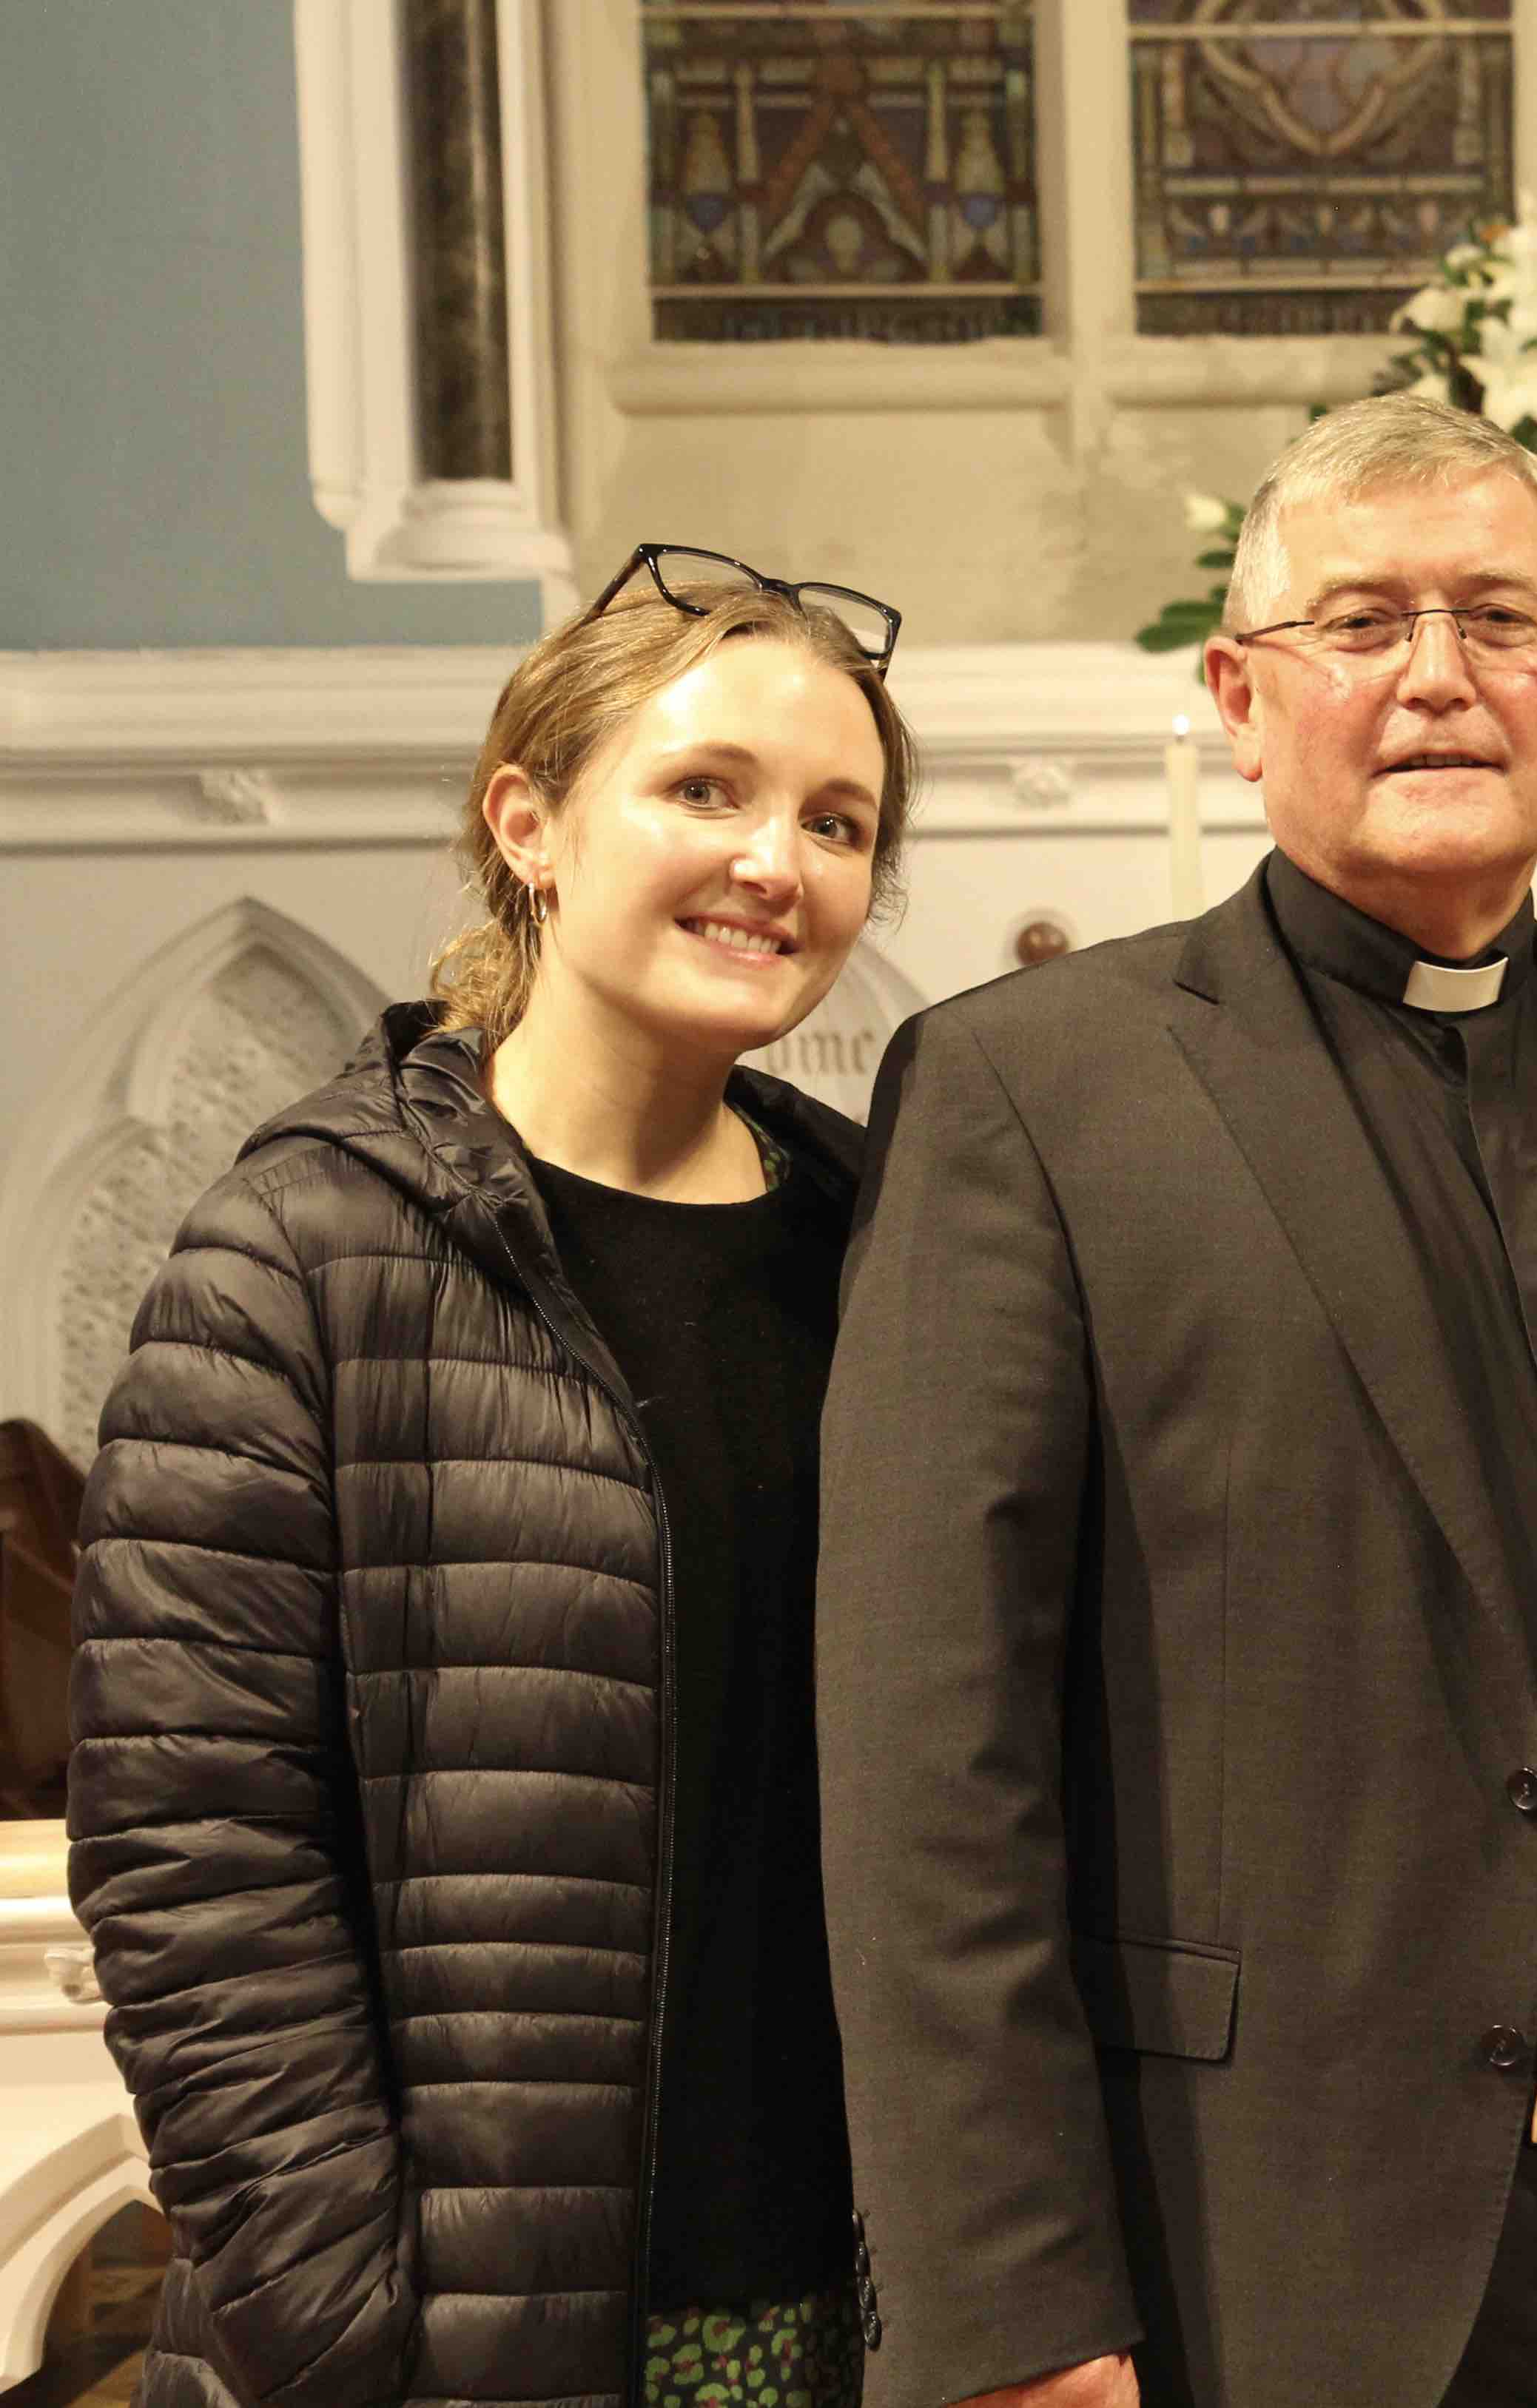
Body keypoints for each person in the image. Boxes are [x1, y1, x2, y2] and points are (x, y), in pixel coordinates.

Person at [813, 394, 1537, 2408]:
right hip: (1254, 2258)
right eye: (1359, 625)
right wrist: (1010, 2309)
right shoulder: (1036, 1088)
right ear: (1236, 692)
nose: (1438, 682)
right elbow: (929, 1753)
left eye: (1497, 619)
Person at [67, 545, 913, 2408]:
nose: (781, 862)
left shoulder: (897, 1246)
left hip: (843, 2310)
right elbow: (190, 1850)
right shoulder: (296, 1251)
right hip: (448, 2344)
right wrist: (349, 2322)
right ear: (528, 820)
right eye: (709, 789)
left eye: (839, 821)